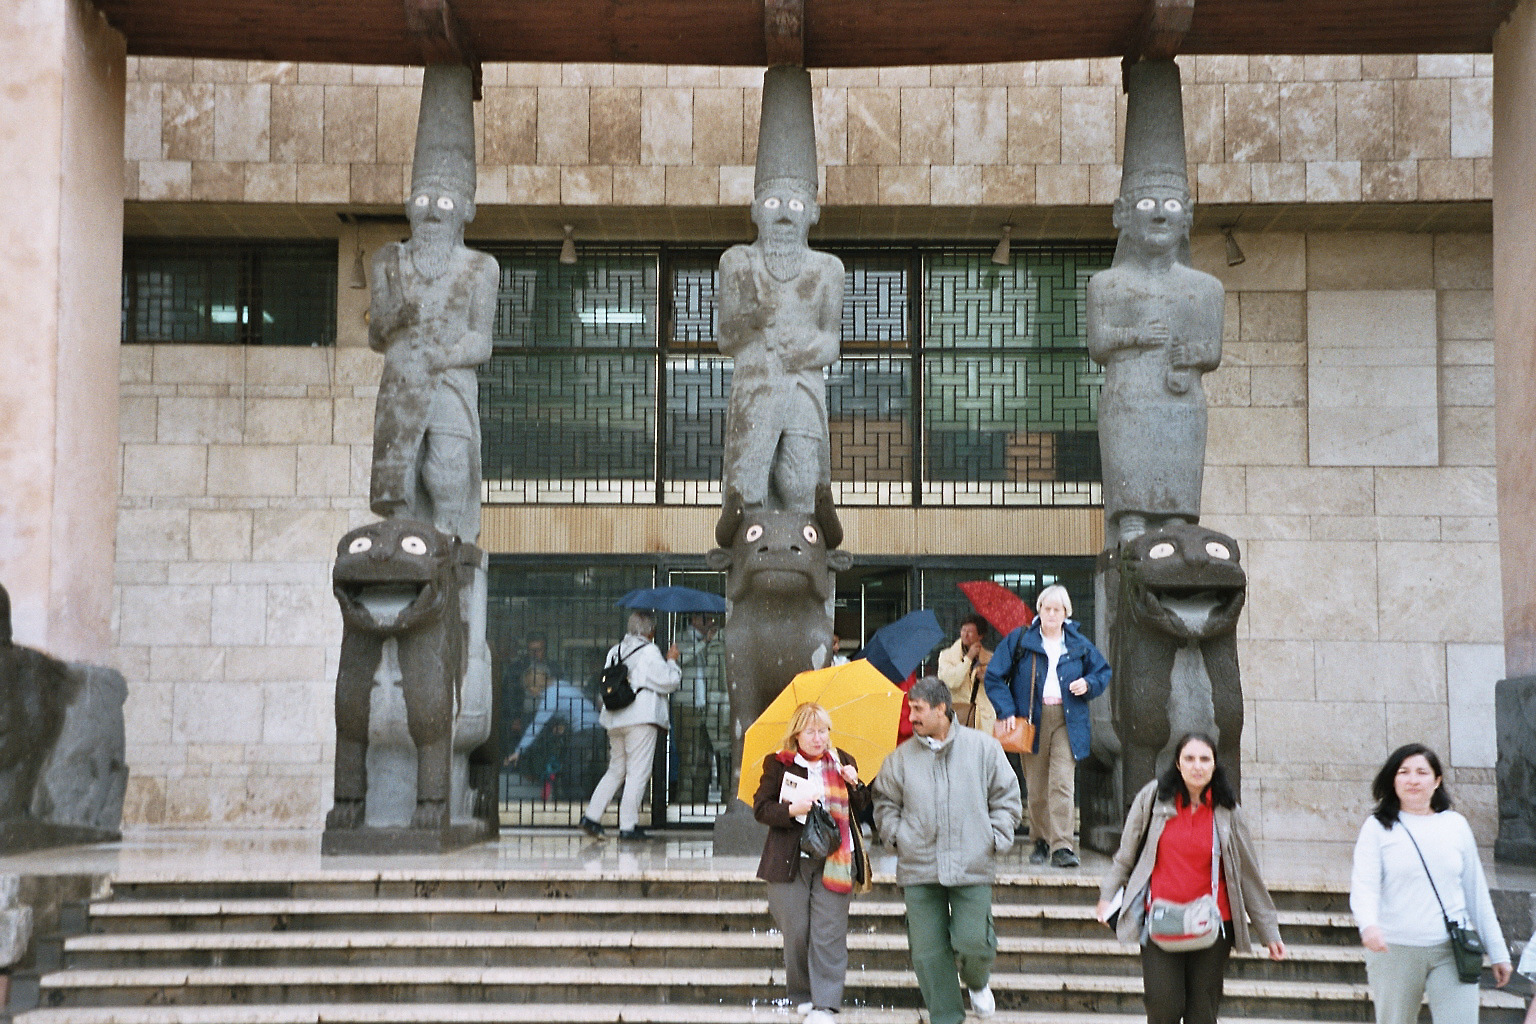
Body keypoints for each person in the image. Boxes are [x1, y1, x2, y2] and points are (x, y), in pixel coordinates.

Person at [367, 66, 499, 545]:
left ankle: (448, 540)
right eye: (422, 199)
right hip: (402, 380)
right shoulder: (389, 261)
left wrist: (442, 356)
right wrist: (393, 322)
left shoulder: (480, 267)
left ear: (466, 210)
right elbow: (375, 333)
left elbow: (481, 341)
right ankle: (406, 539)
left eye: (444, 202)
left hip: (450, 380)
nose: (430, 210)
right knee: (401, 476)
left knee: (447, 467)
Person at [717, 65, 843, 515]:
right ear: (755, 210)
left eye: (794, 204)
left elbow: (831, 343)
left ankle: (808, 567)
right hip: (753, 391)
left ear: (813, 213)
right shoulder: (737, 262)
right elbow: (725, 338)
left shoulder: (827, 270)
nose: (784, 214)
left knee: (801, 487)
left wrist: (800, 350)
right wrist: (752, 322)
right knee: (748, 493)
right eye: (772, 204)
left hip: (803, 393)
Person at [1096, 732, 1286, 1024]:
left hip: (1213, 922)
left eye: (1204, 759)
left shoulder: (1227, 810)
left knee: (1202, 1012)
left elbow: (1248, 874)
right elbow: (1127, 852)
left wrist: (1269, 930)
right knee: (1163, 1007)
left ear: (1214, 765)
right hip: (1160, 919)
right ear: (1177, 764)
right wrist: (1107, 895)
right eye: (1190, 758)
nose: (1197, 766)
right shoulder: (1154, 799)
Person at [873, 676, 1022, 1024]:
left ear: (942, 709)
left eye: (918, 709)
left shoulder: (983, 748)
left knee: (974, 941)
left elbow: (1006, 797)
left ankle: (976, 980)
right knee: (927, 953)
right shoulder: (900, 759)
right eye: (910, 709)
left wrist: (996, 837)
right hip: (918, 866)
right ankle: (947, 1018)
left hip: (972, 861)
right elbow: (884, 803)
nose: (911, 716)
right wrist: (896, 836)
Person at [1350, 743, 1511, 1024]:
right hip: (1394, 947)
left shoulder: (1455, 825)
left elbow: (1476, 893)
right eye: (1404, 772)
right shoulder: (1377, 827)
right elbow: (1364, 885)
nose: (1413, 780)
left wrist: (1498, 951)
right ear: (1393, 779)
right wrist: (1369, 925)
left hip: (1452, 947)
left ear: (1437, 781)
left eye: (1422, 772)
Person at [753, 702, 871, 1024]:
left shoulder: (843, 760)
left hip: (835, 859)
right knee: (797, 931)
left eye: (823, 731)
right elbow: (761, 809)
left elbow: (861, 807)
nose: (819, 738)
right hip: (791, 859)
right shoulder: (779, 765)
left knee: (829, 932)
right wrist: (790, 809)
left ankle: (826, 1005)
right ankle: (802, 993)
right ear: (797, 734)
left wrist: (855, 783)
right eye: (811, 731)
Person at [984, 584, 1110, 867]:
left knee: (1063, 783)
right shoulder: (1021, 639)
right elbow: (993, 677)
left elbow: (1102, 671)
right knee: (1038, 787)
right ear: (1038, 610)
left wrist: (1088, 683)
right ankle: (1040, 840)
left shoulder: (1078, 643)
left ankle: (1062, 846)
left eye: (1057, 609)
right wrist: (1006, 710)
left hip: (1068, 719)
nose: (1051, 614)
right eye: (1046, 608)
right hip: (1032, 719)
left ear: (1066, 613)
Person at [579, 611, 680, 840]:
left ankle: (591, 818)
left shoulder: (615, 651)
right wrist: (672, 660)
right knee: (638, 772)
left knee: (616, 769)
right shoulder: (649, 652)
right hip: (640, 719)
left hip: (615, 717)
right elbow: (669, 682)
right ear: (650, 631)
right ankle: (628, 826)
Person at [505, 667, 602, 800]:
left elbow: (537, 724)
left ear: (534, 686)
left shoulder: (551, 694)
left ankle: (577, 806)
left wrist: (519, 750)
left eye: (528, 688)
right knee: (581, 769)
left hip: (585, 730)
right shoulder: (561, 685)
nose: (529, 692)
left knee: (571, 771)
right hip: (595, 727)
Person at [675, 613, 726, 803]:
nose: (711, 623)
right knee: (688, 755)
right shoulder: (680, 638)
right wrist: (704, 642)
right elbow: (679, 659)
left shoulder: (712, 642)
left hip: (708, 703)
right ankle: (685, 799)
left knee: (706, 754)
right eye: (707, 619)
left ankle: (701, 800)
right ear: (695, 619)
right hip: (688, 703)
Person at [938, 614, 994, 733]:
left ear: (980, 636)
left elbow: (999, 685)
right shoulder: (947, 656)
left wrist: (987, 678)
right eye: (963, 630)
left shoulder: (990, 659)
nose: (965, 634)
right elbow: (951, 682)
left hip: (983, 718)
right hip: (958, 715)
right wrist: (968, 658)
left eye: (970, 631)